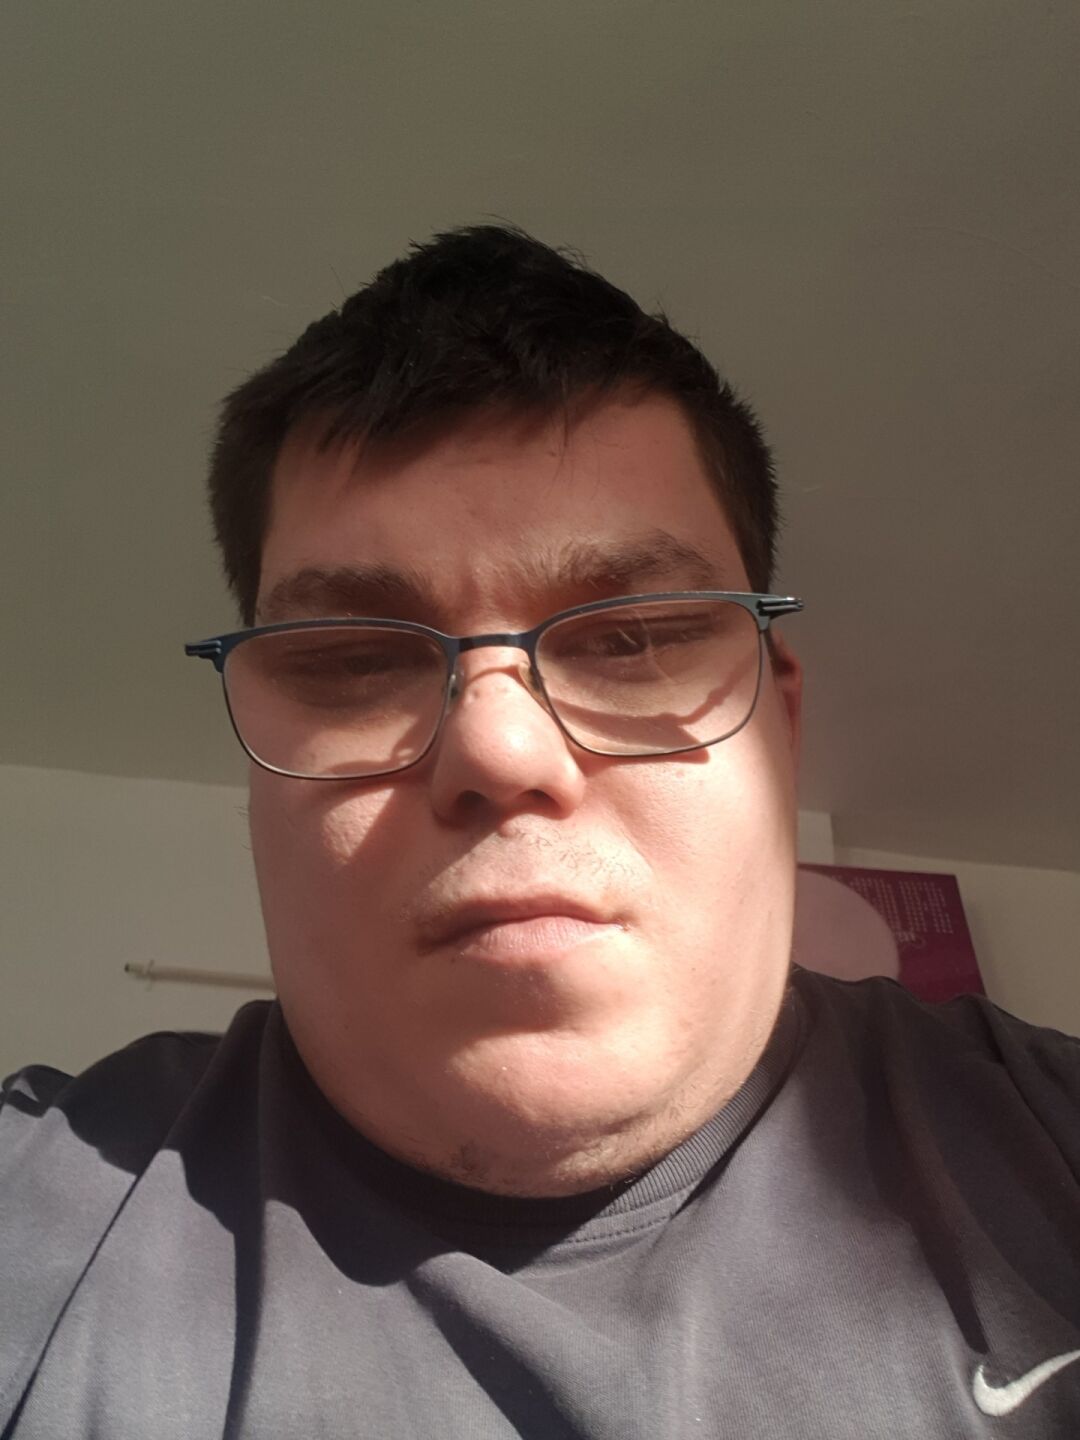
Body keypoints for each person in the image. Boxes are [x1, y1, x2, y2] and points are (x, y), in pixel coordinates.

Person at [2, 225, 1078, 1438]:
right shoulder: (38, 1226)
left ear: (779, 734)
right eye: (353, 660)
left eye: (630, 638)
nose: (500, 752)